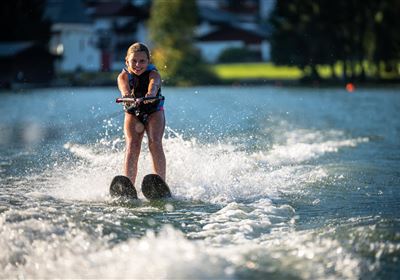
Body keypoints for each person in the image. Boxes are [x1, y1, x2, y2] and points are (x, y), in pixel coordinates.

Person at [117, 42, 166, 188]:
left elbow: (154, 84)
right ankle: (128, 185)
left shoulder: (154, 74)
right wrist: (127, 96)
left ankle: (160, 183)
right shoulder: (123, 76)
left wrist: (150, 94)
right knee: (132, 144)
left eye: (142, 61)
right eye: (134, 61)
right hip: (133, 111)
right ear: (127, 61)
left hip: (154, 111)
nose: (138, 64)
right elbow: (124, 89)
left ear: (148, 61)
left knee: (155, 142)